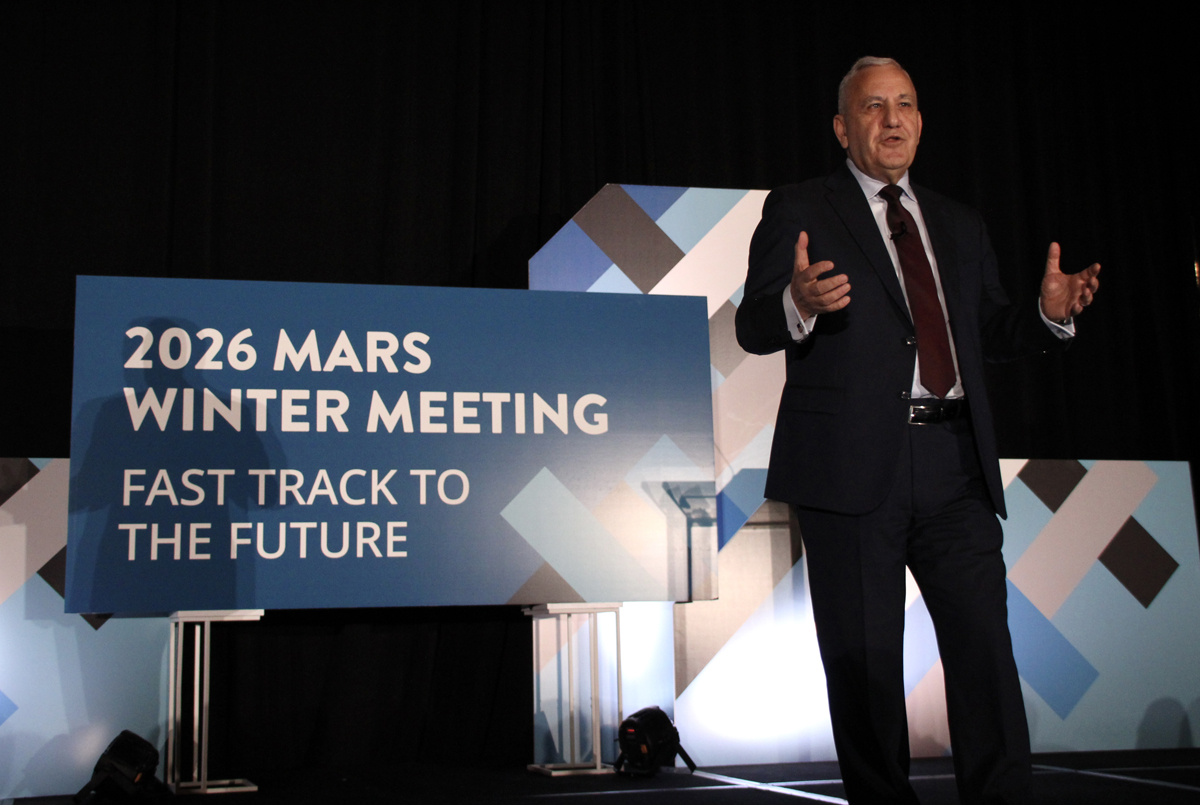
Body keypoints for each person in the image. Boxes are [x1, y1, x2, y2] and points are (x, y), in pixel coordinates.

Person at [735, 56, 1100, 804]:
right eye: (873, 107)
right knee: (865, 668)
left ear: (922, 121)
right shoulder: (801, 206)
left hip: (954, 462)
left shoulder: (959, 222)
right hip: (850, 470)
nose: (892, 119)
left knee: (985, 660)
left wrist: (1045, 316)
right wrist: (796, 302)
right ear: (843, 127)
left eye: (904, 104)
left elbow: (987, 329)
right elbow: (751, 324)